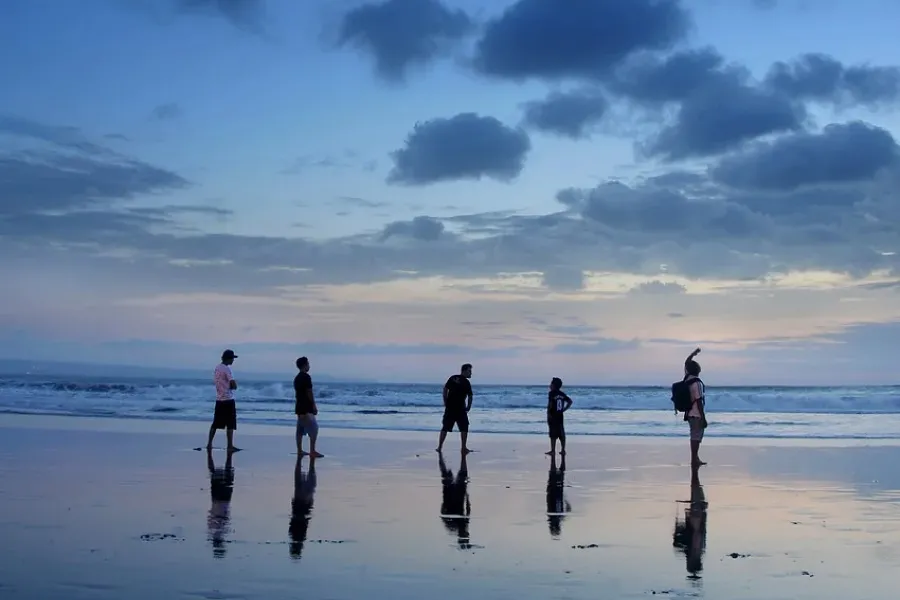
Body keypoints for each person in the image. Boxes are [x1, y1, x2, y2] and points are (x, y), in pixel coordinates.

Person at [207, 349, 240, 452]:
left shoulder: (217, 368)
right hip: (228, 399)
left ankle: (209, 444)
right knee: (230, 423)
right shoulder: (227, 369)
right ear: (228, 358)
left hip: (219, 399)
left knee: (216, 422)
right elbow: (233, 384)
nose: (233, 361)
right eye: (232, 358)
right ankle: (230, 445)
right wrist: (234, 386)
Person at [436, 363, 473, 454]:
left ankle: (440, 447)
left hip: (453, 407)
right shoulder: (464, 382)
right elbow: (470, 396)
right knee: (462, 427)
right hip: (459, 408)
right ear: (464, 371)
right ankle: (463, 448)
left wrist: (445, 401)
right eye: (469, 371)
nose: (471, 373)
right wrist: (468, 406)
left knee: (449, 427)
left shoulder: (453, 378)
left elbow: (445, 389)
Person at [294, 356, 323, 458]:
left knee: (300, 429)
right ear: (305, 365)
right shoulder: (306, 377)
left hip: (299, 406)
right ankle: (312, 450)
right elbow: (309, 392)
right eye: (308, 364)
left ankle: (299, 450)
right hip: (306, 407)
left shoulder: (297, 378)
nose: (309, 366)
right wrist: (314, 405)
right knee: (314, 428)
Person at [683, 348, 707, 466]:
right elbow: (698, 401)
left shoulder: (687, 379)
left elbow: (686, 363)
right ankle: (694, 459)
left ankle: (695, 458)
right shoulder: (696, 383)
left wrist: (693, 354)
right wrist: (703, 417)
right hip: (696, 414)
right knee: (696, 437)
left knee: (694, 435)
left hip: (689, 413)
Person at [546, 377, 573, 455]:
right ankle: (563, 450)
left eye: (551, 384)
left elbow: (550, 404)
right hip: (560, 415)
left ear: (554, 385)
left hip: (553, 415)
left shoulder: (551, 393)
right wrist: (564, 409)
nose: (549, 385)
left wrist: (548, 413)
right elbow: (570, 401)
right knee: (561, 433)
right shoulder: (562, 394)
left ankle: (553, 450)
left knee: (552, 434)